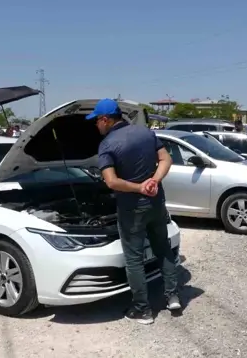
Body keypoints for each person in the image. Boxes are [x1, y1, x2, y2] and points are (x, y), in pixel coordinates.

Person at [87, 98, 180, 325]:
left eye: (96, 121)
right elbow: (166, 159)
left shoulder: (107, 145)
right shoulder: (145, 132)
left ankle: (142, 309)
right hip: (157, 203)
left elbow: (111, 182)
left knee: (134, 259)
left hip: (132, 209)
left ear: (105, 119)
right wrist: (153, 181)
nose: (95, 126)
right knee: (163, 249)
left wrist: (139, 187)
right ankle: (172, 296)